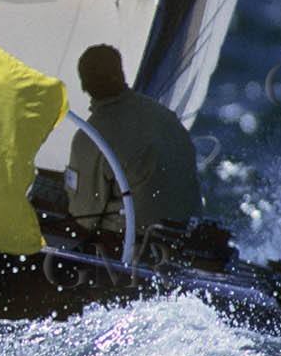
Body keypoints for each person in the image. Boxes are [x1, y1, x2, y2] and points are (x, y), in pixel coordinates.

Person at [66, 44, 201, 235]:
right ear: (121, 75)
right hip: (185, 236)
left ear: (84, 85)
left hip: (130, 243)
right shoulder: (166, 117)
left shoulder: (90, 138)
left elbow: (84, 218)